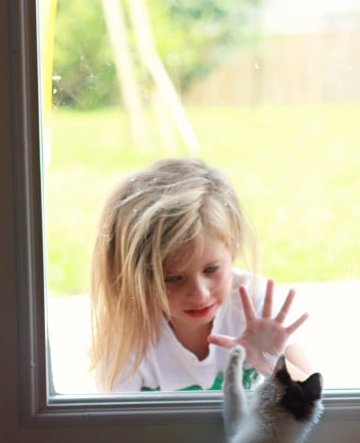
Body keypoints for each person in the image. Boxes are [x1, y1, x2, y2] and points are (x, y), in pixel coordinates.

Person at [90, 158, 312, 392]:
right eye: (172, 278)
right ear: (137, 275)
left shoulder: (257, 308)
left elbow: (316, 404)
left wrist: (271, 363)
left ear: (232, 248)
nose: (199, 293)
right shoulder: (126, 337)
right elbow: (118, 427)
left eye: (211, 270)